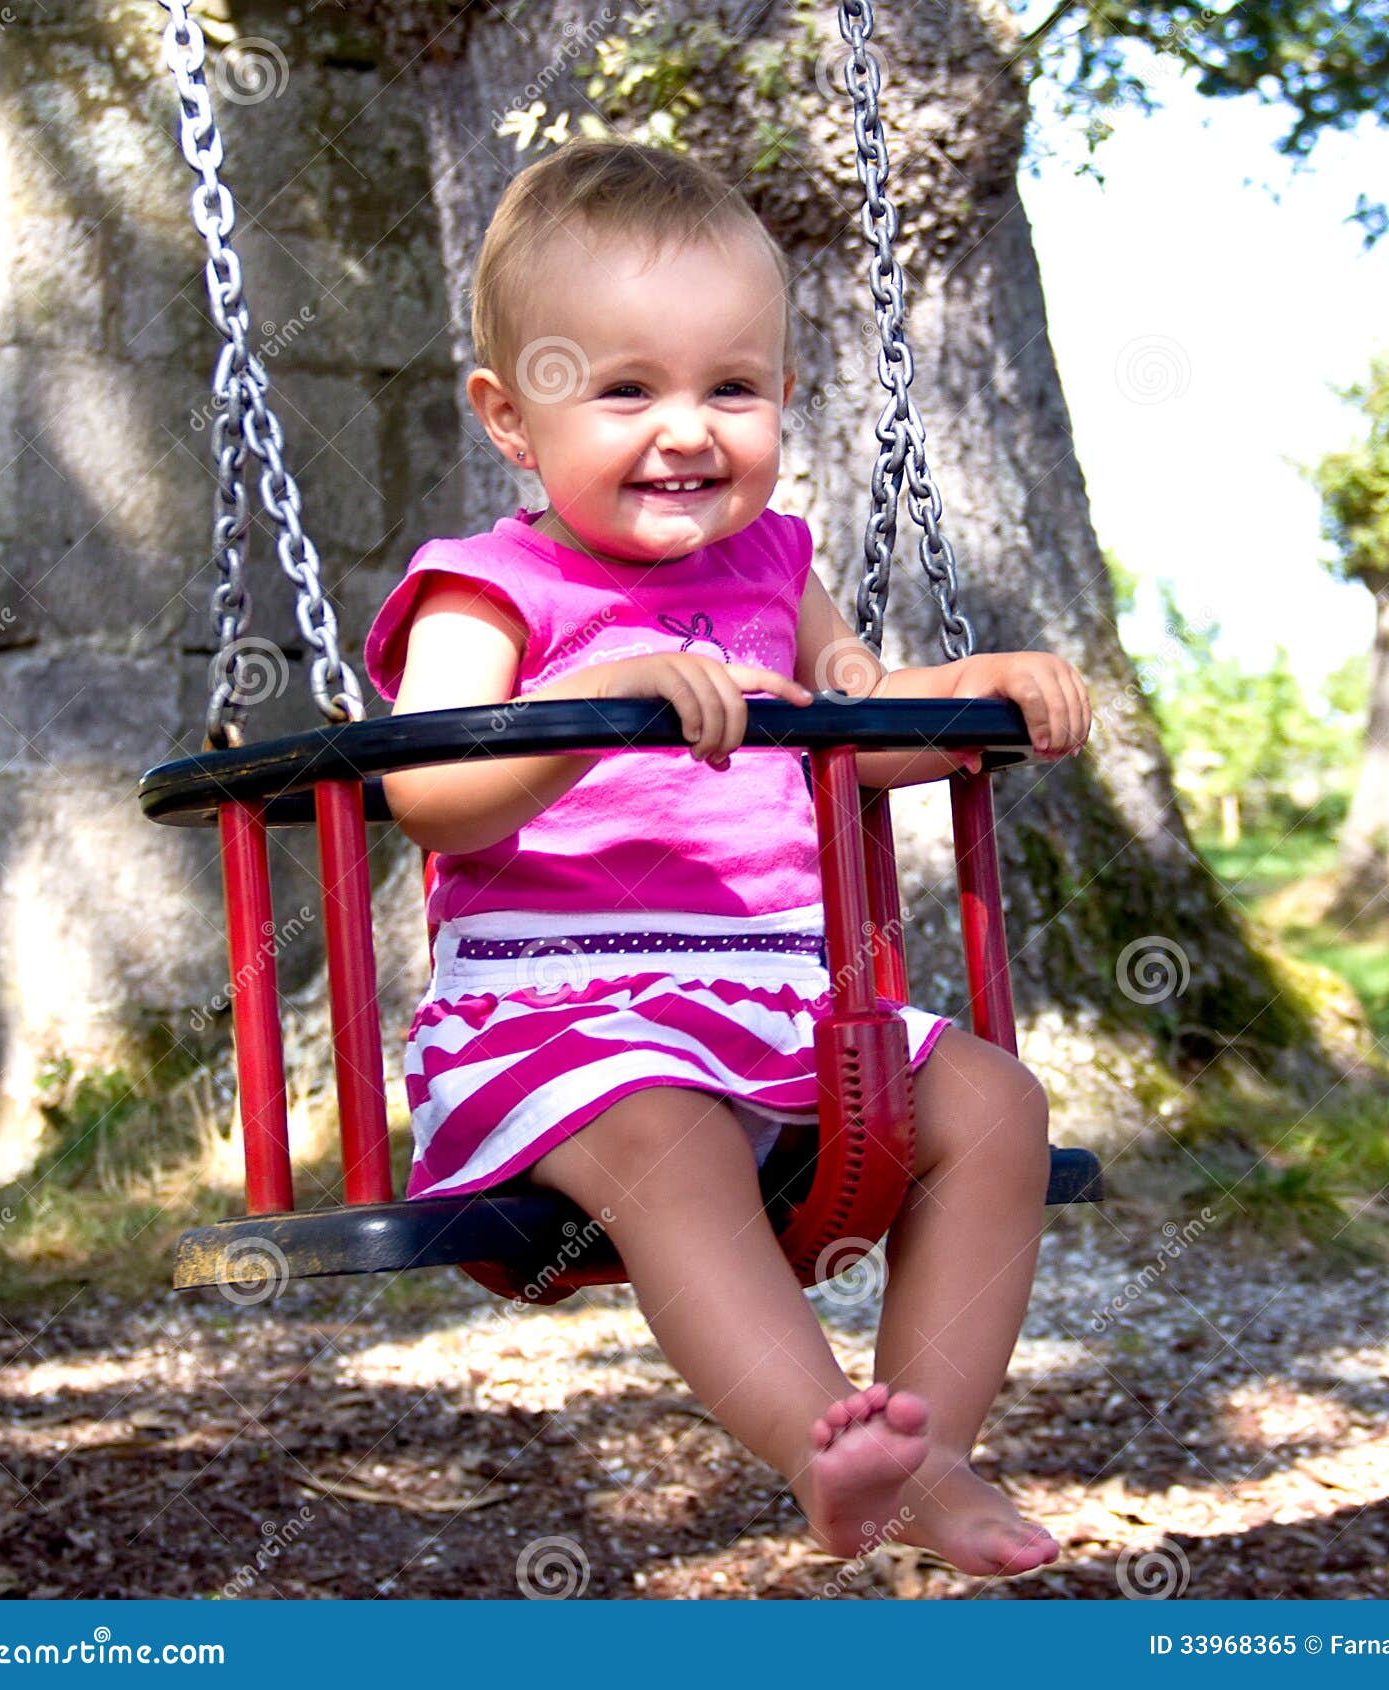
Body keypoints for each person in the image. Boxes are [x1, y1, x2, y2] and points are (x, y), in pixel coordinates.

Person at [364, 138, 1090, 1578]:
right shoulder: (484, 585)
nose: (686, 429)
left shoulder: (774, 570)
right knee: (673, 1139)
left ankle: (932, 1447)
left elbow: (850, 733)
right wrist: (597, 710)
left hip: (771, 1005)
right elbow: (430, 795)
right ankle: (826, 1442)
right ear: (511, 419)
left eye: (731, 388)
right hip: (555, 1024)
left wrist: (977, 693)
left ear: (781, 400)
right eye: (626, 389)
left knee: (998, 1104)